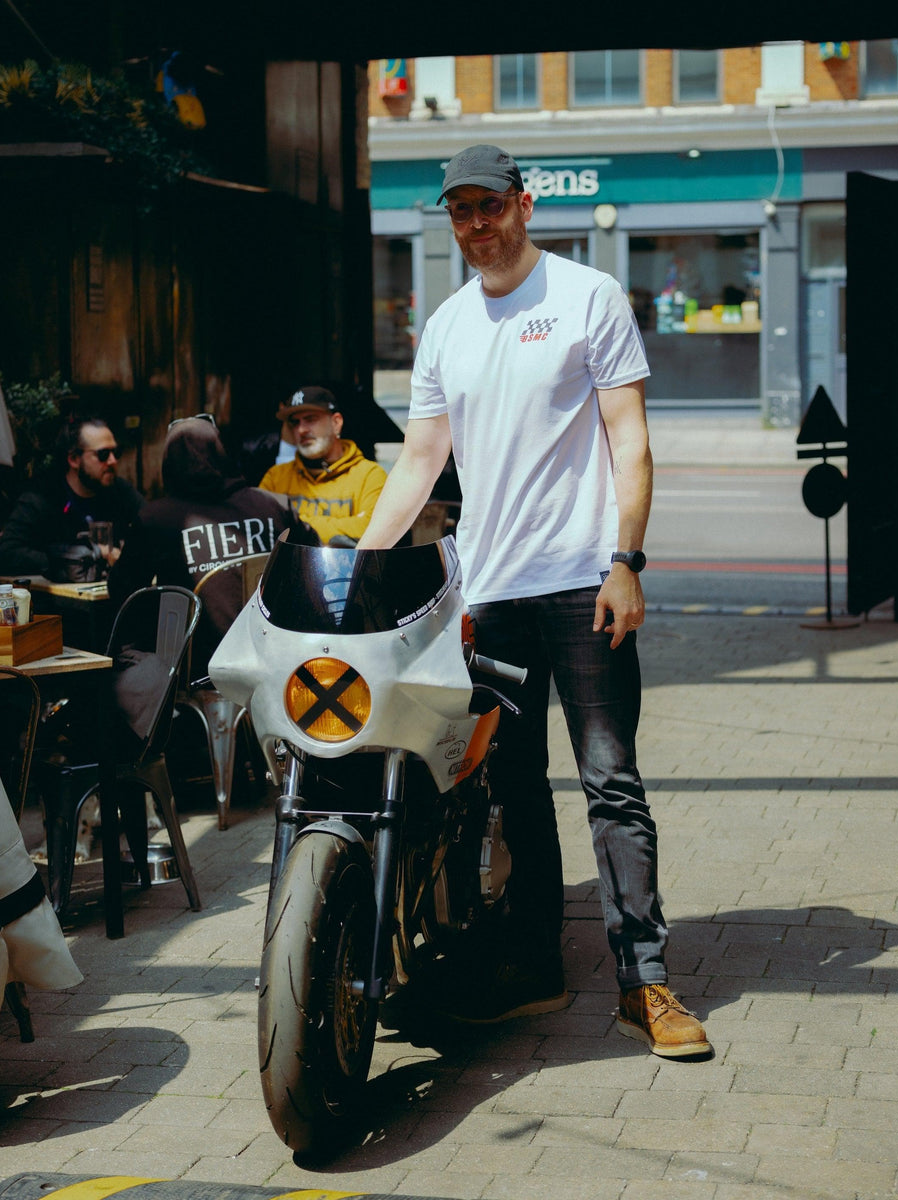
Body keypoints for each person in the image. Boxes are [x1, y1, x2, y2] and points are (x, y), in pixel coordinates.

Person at [358, 144, 710, 1058]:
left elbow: (629, 439)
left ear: (523, 202)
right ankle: (535, 964)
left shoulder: (587, 297)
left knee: (610, 780)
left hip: (586, 583)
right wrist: (365, 556)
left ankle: (647, 983)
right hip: (496, 594)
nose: (475, 226)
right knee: (513, 785)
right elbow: (420, 460)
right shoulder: (444, 326)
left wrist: (627, 559)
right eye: (459, 212)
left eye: (488, 206)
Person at [108, 413, 315, 678]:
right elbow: (312, 566)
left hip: (198, 667)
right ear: (222, 452)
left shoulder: (155, 519)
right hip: (279, 659)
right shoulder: (274, 505)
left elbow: (123, 591)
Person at [0, 416, 142, 580]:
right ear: (74, 459)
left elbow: (150, 527)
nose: (113, 461)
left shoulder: (119, 490)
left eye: (116, 452)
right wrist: (64, 560)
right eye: (103, 454)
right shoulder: (43, 495)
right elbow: (6, 552)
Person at [258, 386, 387, 546]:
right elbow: (261, 529)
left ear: (336, 423)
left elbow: (375, 531)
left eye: (310, 419)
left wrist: (291, 525)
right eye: (295, 422)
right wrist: (346, 526)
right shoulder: (276, 477)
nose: (301, 430)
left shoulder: (370, 475)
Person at [239, 391, 298, 486]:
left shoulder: (320, 450)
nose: (299, 414)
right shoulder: (254, 449)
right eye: (296, 406)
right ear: (282, 407)